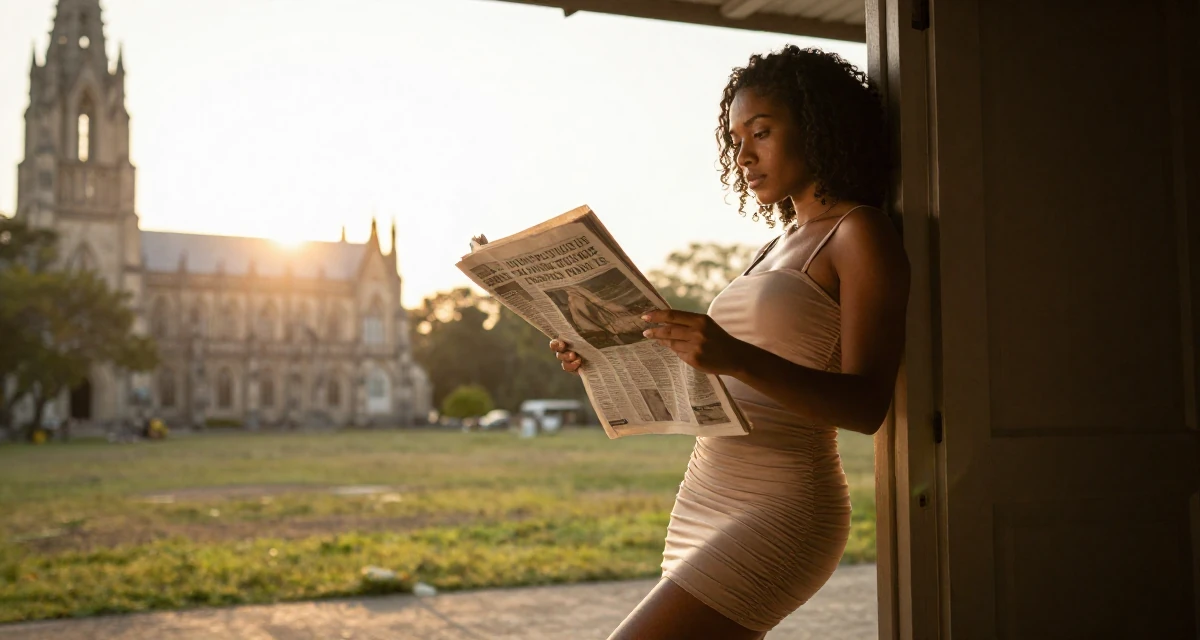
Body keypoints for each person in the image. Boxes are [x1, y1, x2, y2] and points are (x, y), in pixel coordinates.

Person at [550, 46, 908, 639]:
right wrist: (603, 356)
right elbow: (723, 376)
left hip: (784, 504)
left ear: (818, 128)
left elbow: (867, 406)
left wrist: (734, 354)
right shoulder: (777, 245)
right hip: (707, 492)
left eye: (761, 132)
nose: (743, 155)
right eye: (735, 139)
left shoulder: (858, 233)